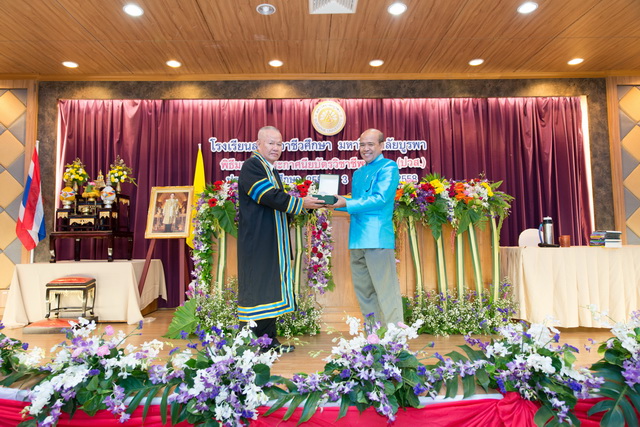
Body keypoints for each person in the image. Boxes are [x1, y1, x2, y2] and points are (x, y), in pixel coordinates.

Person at [237, 126, 324, 352]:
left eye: (279, 144)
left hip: (271, 242)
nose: (276, 148)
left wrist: (307, 206)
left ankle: (269, 342)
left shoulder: (271, 170)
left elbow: (278, 205)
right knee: (258, 289)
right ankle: (249, 345)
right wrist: (300, 203)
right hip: (258, 242)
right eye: (271, 143)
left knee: (270, 290)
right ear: (258, 144)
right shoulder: (252, 166)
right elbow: (267, 196)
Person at [331, 128, 403, 326]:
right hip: (356, 239)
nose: (365, 149)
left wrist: (346, 203)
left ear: (382, 145)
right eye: (362, 144)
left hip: (377, 238)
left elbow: (380, 199)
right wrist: (333, 202)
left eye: (370, 144)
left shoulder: (388, 167)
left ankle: (395, 339)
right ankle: (372, 337)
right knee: (364, 293)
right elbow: (358, 203)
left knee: (386, 291)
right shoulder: (359, 172)